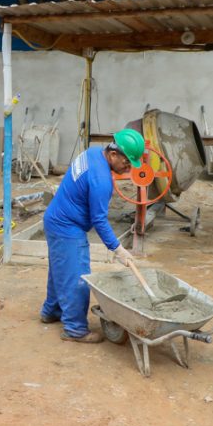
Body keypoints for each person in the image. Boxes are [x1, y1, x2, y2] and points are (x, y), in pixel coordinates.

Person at [40, 129, 145, 343]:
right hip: (67, 227)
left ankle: (51, 311)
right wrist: (118, 249)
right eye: (127, 161)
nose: (128, 167)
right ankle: (75, 329)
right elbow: (99, 220)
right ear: (114, 154)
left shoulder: (94, 152)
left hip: (55, 219)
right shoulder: (101, 180)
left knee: (61, 270)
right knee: (77, 277)